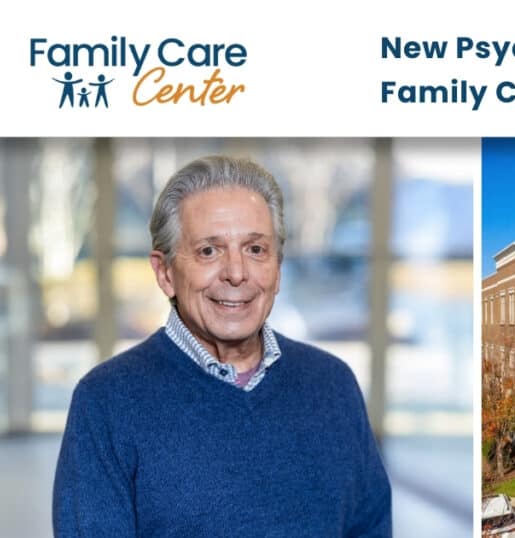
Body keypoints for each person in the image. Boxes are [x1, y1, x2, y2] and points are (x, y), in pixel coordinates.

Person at [52, 155, 391, 537]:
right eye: (209, 251)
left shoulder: (332, 384)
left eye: (256, 249)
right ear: (165, 273)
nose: (236, 272)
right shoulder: (106, 402)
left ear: (277, 269)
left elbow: (371, 527)